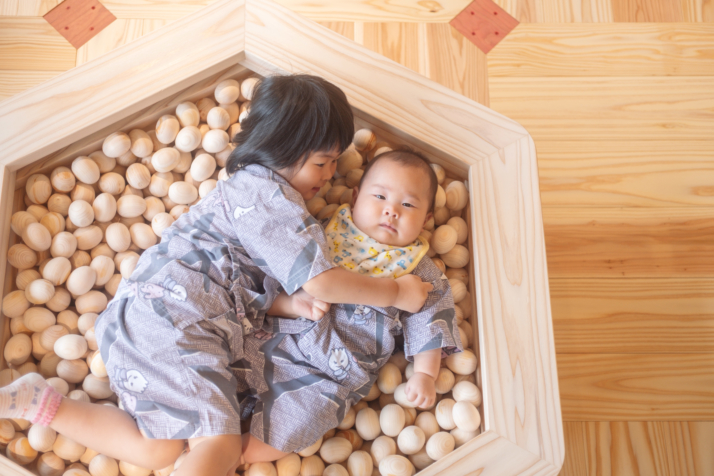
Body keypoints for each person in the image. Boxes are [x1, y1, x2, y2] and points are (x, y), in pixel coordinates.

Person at [0, 75, 432, 476]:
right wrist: (394, 291)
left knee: (160, 451)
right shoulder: (268, 196)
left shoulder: (257, 192)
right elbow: (320, 280)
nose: (331, 174)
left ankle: (41, 403)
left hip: (154, 320)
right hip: (179, 316)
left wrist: (285, 304)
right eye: (323, 162)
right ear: (286, 148)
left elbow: (250, 284)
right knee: (221, 446)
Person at [234, 148, 464, 457]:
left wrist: (425, 374)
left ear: (426, 220)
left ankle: (240, 455)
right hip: (276, 335)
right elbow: (285, 264)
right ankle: (204, 432)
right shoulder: (325, 229)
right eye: (380, 197)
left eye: (408, 204)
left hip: (331, 373)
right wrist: (281, 304)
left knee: (303, 418)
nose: (391, 211)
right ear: (355, 199)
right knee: (233, 361)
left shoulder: (420, 273)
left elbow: (432, 321)